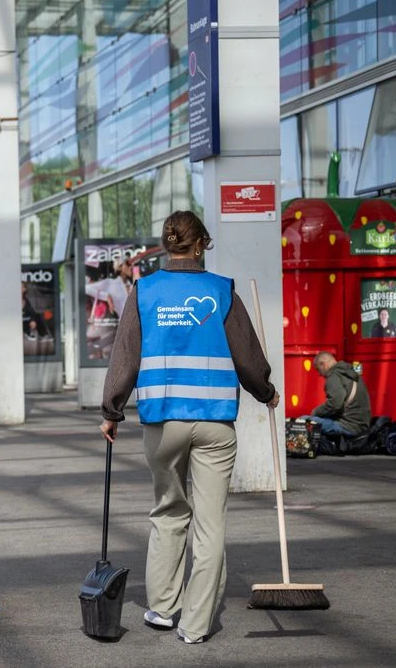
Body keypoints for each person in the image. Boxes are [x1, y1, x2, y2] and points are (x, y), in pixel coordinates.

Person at [99, 211, 279, 645]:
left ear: (167, 244)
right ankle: (195, 625)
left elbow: (125, 359)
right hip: (215, 423)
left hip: (163, 421)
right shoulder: (222, 292)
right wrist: (266, 391)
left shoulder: (144, 292)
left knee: (167, 511)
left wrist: (111, 411)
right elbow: (248, 360)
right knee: (210, 524)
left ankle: (161, 608)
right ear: (200, 245)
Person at [307, 351, 371, 437]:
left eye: (318, 369)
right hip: (363, 425)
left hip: (349, 426)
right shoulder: (351, 371)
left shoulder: (333, 377)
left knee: (304, 420)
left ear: (323, 364)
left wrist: (315, 412)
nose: (319, 374)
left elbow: (335, 404)